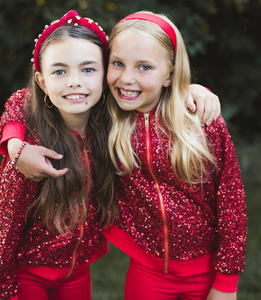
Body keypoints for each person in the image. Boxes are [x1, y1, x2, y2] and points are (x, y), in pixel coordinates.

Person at [101, 11, 246, 300]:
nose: (126, 78)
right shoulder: (103, 120)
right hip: (147, 270)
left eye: (144, 67)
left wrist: (227, 281)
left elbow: (232, 201)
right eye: (117, 63)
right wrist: (16, 141)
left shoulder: (201, 121)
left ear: (169, 75)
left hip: (206, 272)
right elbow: (32, 99)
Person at [0, 10, 118, 300]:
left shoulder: (114, 127)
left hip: (78, 271)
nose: (74, 82)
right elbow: (5, 225)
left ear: (107, 75)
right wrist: (6, 287)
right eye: (60, 71)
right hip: (29, 274)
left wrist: (195, 91)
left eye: (88, 69)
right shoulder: (31, 150)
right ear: (43, 82)